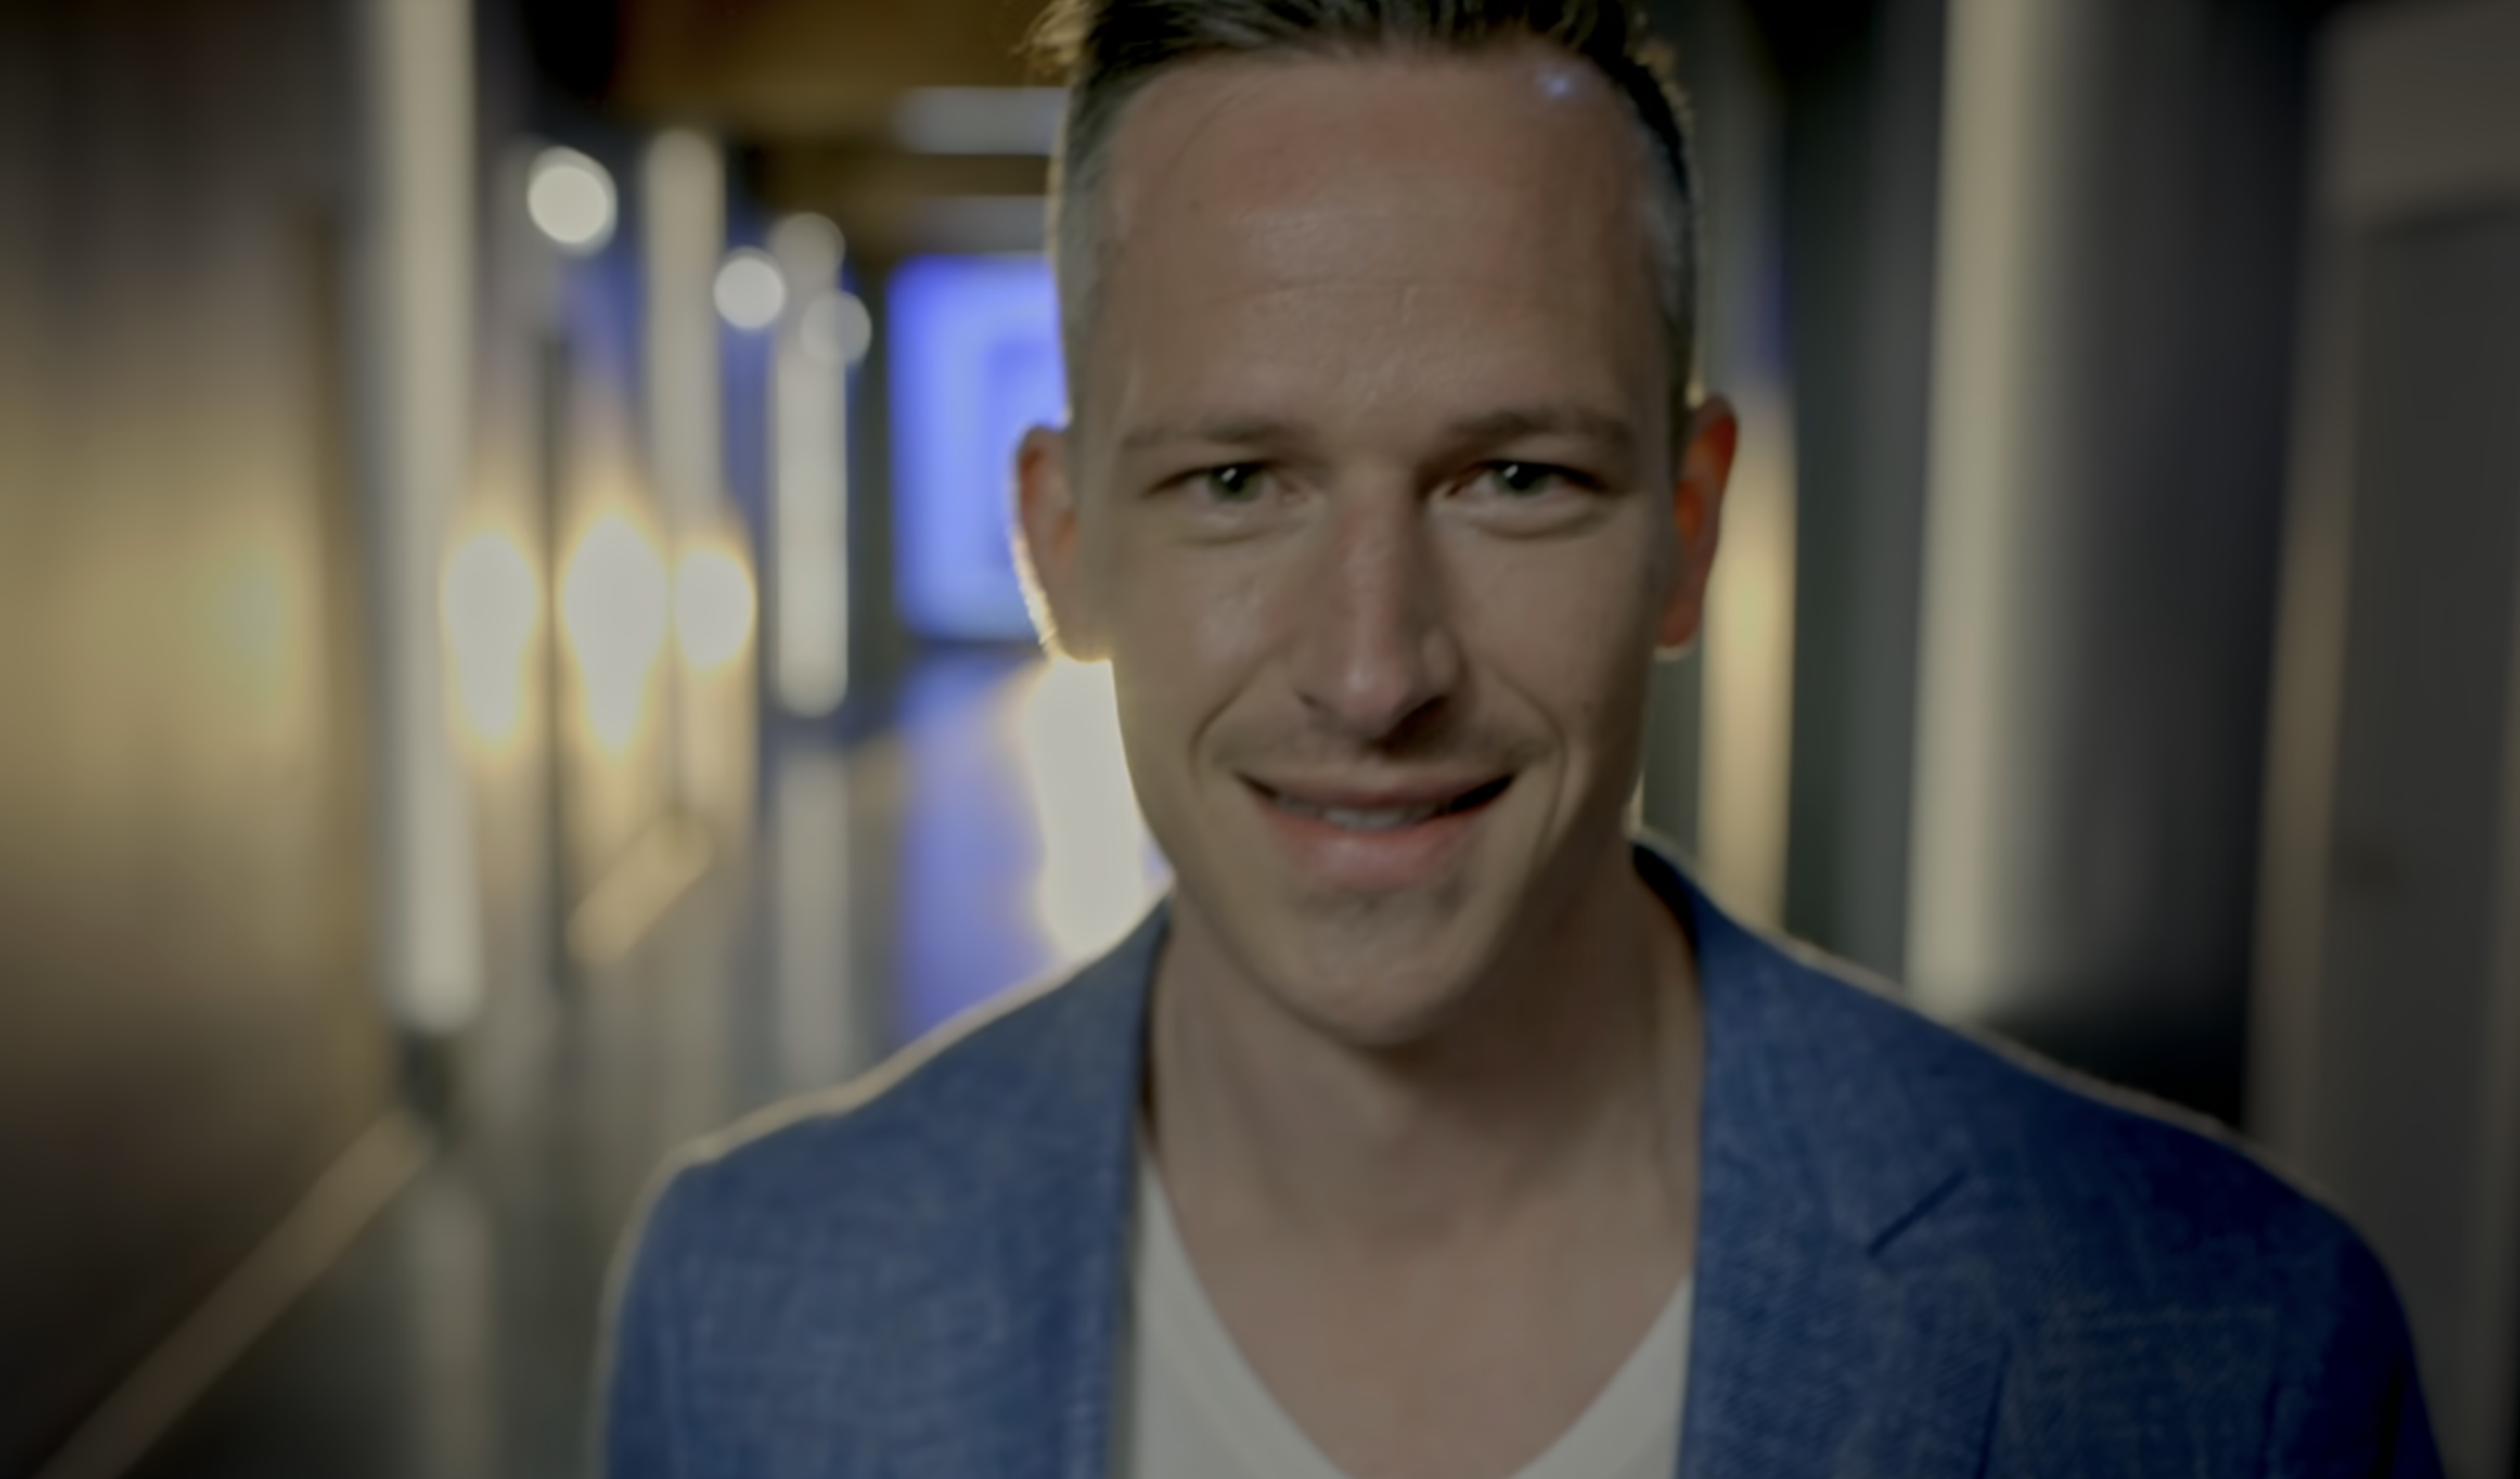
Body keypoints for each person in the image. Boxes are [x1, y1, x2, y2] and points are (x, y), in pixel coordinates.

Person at [601, 2, 2440, 1473]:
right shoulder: (749, 1307)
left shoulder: (2230, 1357)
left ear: (1685, 529)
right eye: (1236, 479)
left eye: (1512, 475)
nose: (1372, 667)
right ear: (1060, 545)